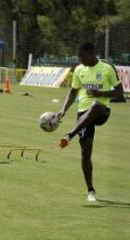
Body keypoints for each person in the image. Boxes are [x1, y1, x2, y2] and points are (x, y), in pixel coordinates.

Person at [58, 42, 124, 202]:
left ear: (92, 52)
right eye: (79, 56)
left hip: (102, 112)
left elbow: (120, 95)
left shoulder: (107, 68)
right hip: (83, 114)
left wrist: (100, 93)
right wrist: (63, 110)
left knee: (96, 104)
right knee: (85, 152)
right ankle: (91, 190)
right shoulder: (79, 70)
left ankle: (70, 135)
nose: (80, 59)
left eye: (83, 56)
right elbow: (73, 93)